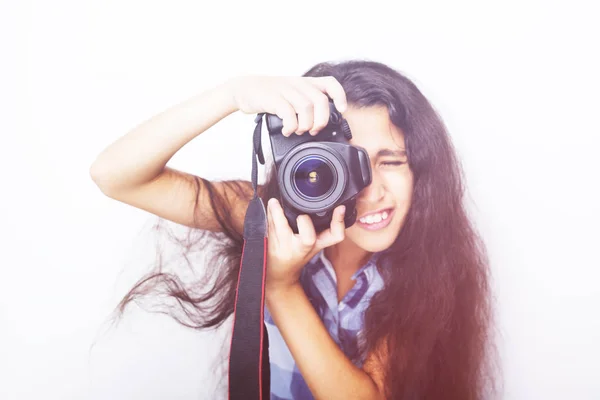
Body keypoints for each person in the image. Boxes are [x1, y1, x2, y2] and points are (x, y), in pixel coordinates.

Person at [90, 59, 500, 399]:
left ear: (422, 170)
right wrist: (232, 95)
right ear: (312, 159)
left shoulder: (428, 268)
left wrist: (280, 287)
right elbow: (115, 175)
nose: (372, 190)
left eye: (391, 161)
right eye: (350, 161)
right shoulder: (272, 215)